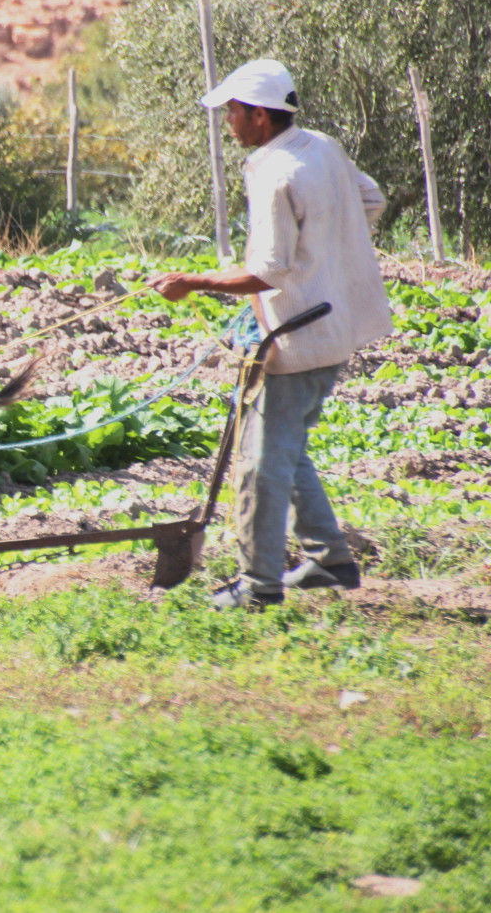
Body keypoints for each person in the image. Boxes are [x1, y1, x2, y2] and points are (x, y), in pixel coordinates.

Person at [148, 59, 392, 610]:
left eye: (233, 112)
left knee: (261, 461)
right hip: (333, 326)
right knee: (288, 449)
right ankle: (330, 560)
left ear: (260, 115)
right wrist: (326, 258)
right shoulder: (322, 146)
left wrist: (193, 282)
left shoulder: (273, 172)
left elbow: (270, 271)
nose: (228, 122)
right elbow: (370, 200)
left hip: (294, 337)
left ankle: (258, 585)